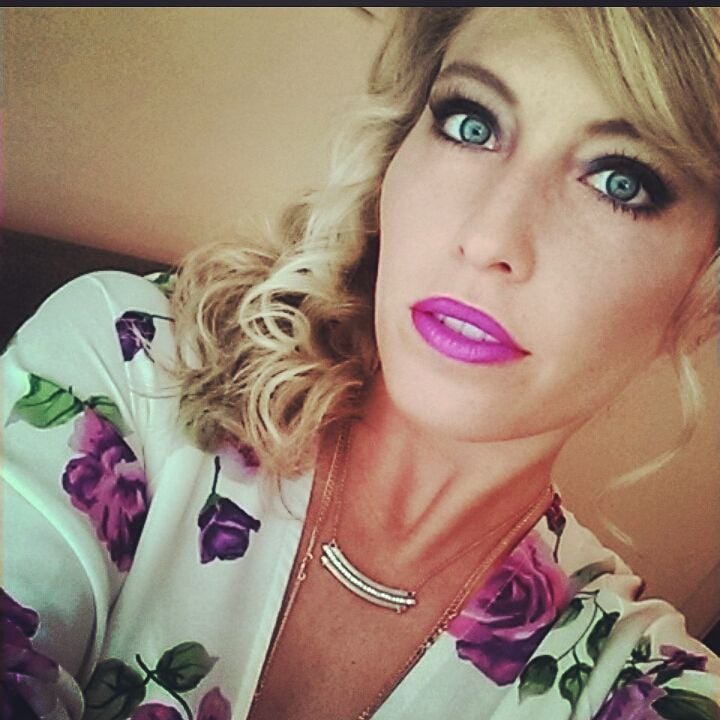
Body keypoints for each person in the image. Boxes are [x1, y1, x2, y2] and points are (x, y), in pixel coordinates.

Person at [2, 7, 719, 720]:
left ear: (705, 290)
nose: (489, 237)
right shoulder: (133, 366)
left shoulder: (628, 680)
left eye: (620, 181)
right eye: (472, 124)